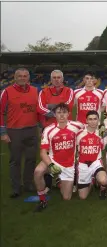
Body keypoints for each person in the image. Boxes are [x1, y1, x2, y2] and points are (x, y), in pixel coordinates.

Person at [33, 103, 84, 212]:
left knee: (66, 198)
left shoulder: (77, 126)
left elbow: (90, 128)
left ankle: (59, 180)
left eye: (64, 112)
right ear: (54, 115)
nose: (61, 115)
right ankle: (42, 200)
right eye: (59, 113)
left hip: (68, 165)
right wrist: (50, 165)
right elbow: (43, 152)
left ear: (69, 114)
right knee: (38, 171)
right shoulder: (48, 130)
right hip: (53, 160)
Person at [0, 68, 39, 197]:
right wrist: (2, 132)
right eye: (20, 76)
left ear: (29, 77)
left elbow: (37, 109)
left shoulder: (34, 90)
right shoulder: (7, 92)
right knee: (15, 160)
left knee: (31, 159)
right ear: (15, 77)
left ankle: (28, 184)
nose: (23, 78)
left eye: (25, 76)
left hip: (32, 129)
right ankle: (16, 187)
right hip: (14, 131)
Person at [76, 111, 107, 200]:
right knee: (83, 197)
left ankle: (103, 190)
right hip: (83, 164)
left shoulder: (101, 133)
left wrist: (104, 134)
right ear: (86, 120)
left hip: (96, 163)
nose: (93, 121)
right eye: (90, 119)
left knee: (104, 180)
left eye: (95, 119)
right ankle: (91, 180)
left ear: (98, 120)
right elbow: (74, 149)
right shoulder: (79, 134)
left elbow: (105, 149)